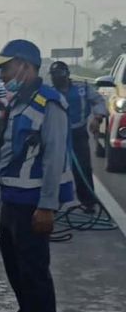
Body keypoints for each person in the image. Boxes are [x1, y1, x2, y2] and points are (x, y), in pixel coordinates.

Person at [0, 40, 74, 312]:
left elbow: (53, 159)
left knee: (36, 278)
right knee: (17, 274)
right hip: (12, 201)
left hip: (33, 205)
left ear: (24, 66)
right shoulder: (21, 101)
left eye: (5, 67)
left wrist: (47, 207)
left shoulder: (49, 104)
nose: (2, 74)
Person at [49, 61, 106, 211]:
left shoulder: (82, 88)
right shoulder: (49, 92)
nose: (57, 78)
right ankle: (50, 203)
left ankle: (88, 202)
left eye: (60, 75)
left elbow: (98, 100)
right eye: (54, 76)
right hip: (57, 134)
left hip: (78, 132)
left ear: (67, 75)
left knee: (83, 167)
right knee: (53, 168)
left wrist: (97, 117)